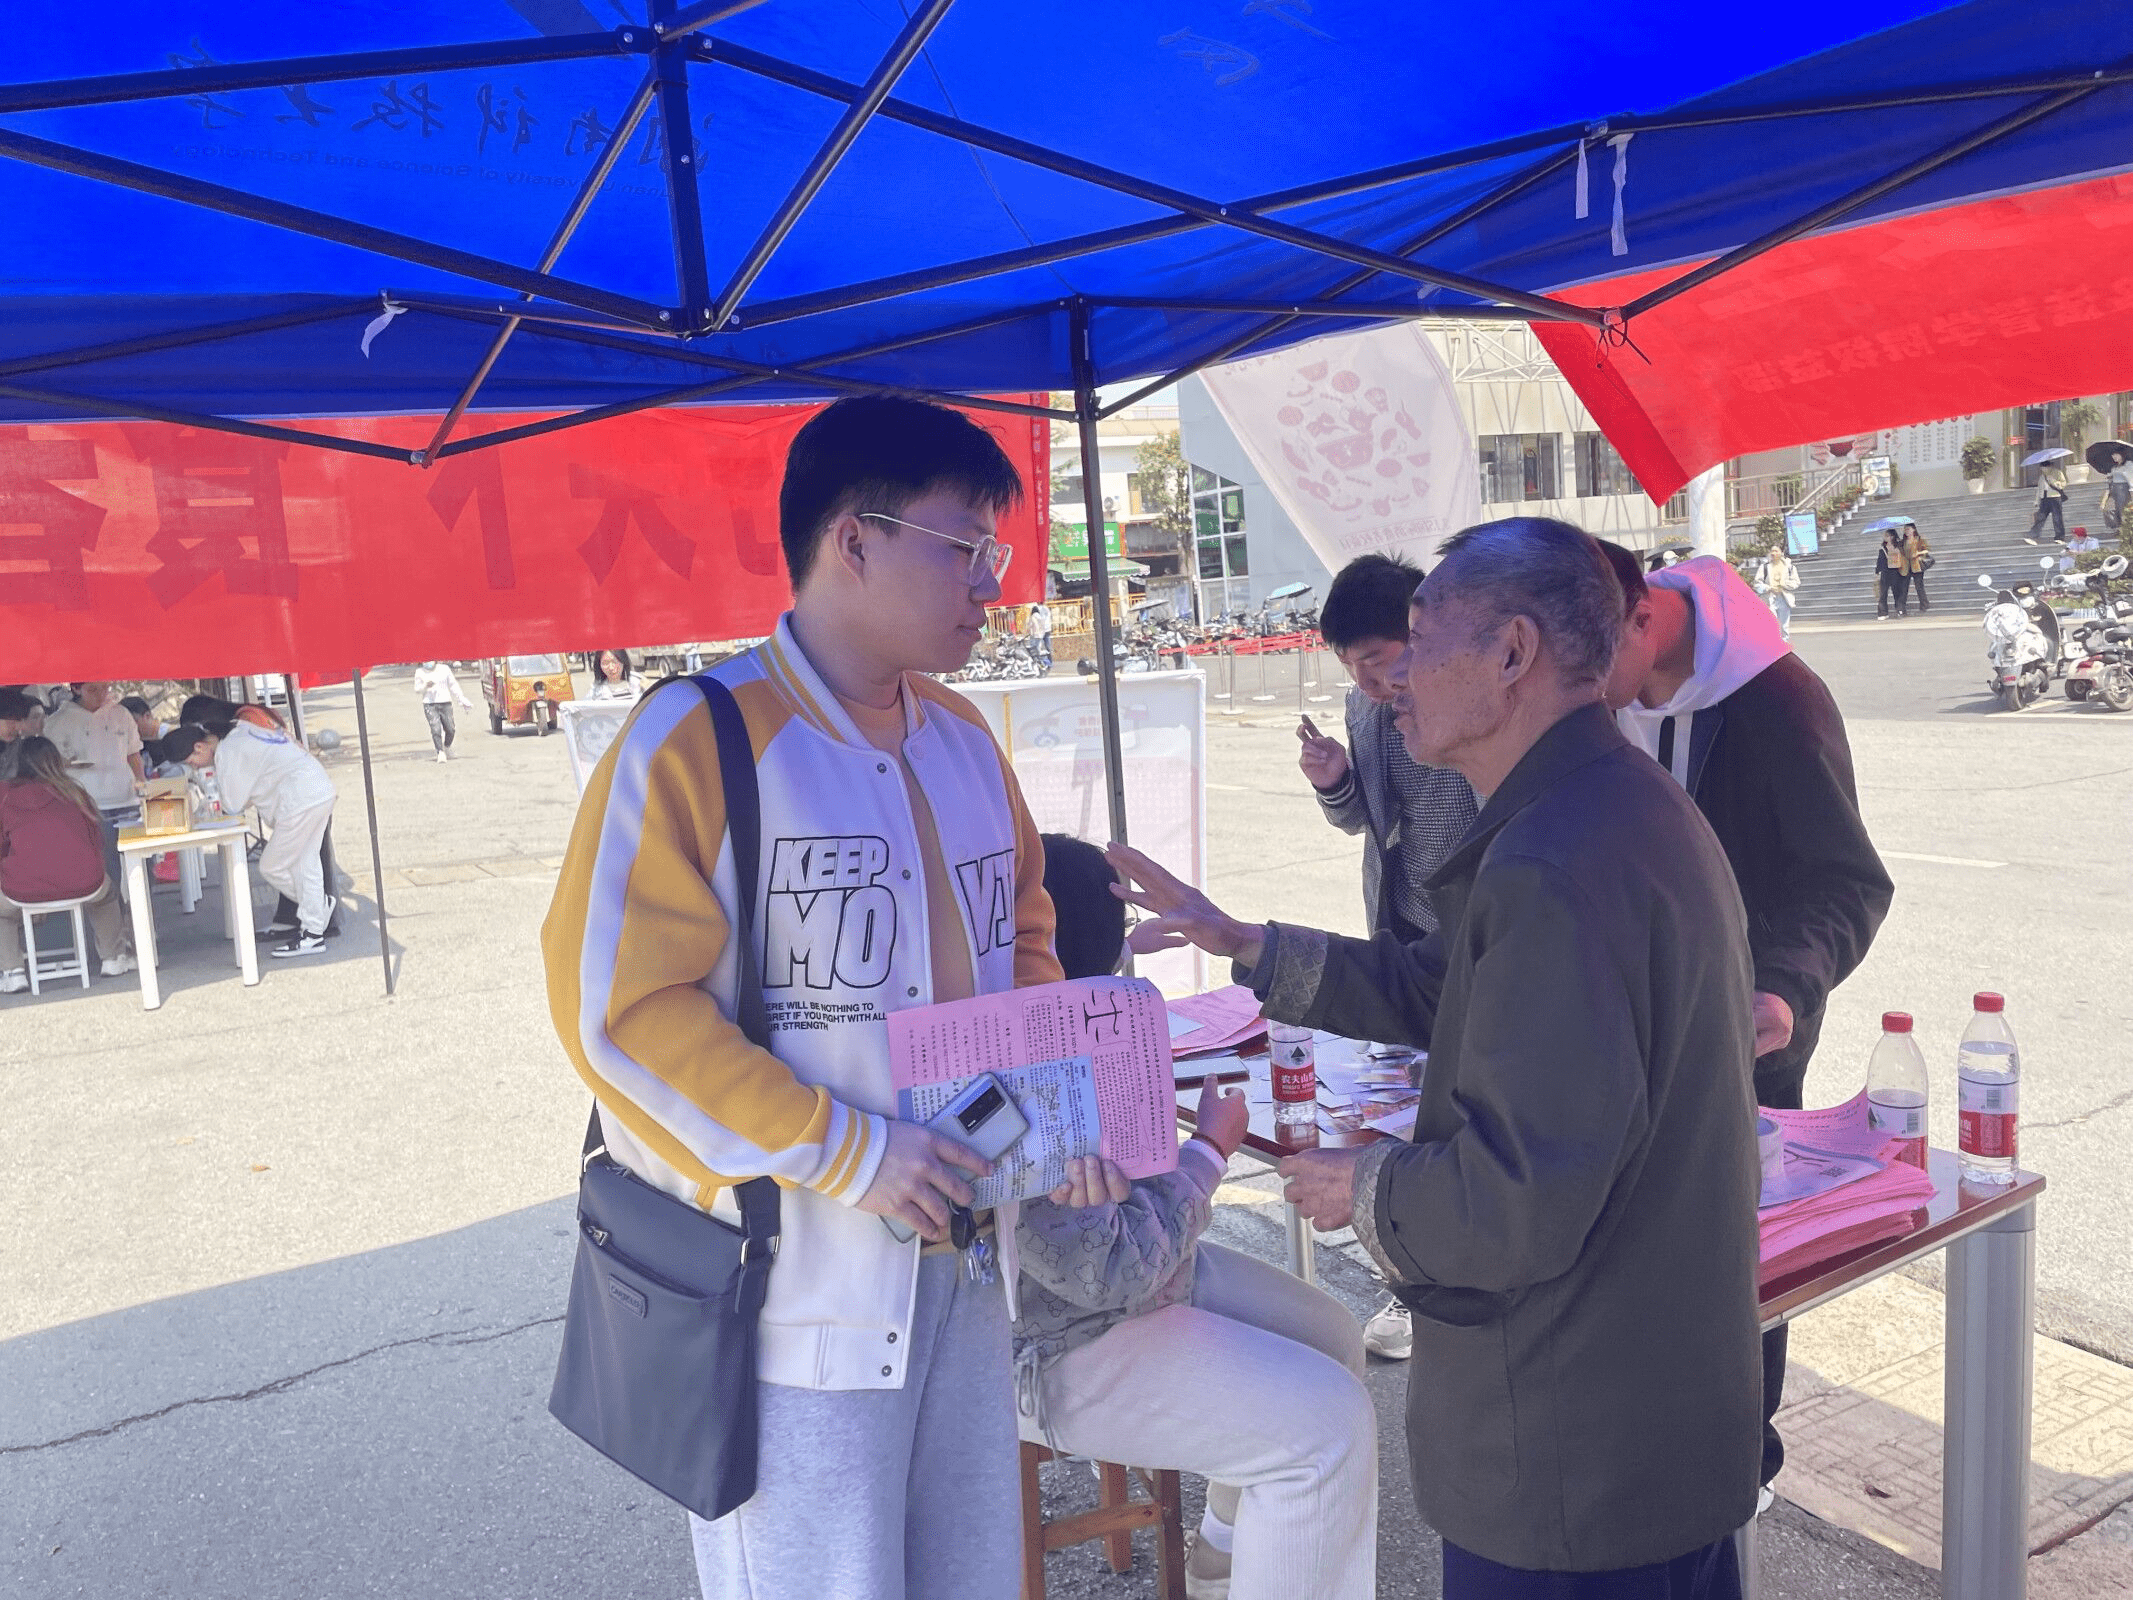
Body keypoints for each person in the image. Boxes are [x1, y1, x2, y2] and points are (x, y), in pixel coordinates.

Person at [1111, 516, 1764, 1600]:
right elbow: (1444, 982)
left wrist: (1361, 1185)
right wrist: (1249, 945)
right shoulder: (1597, 807)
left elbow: (1517, 1196)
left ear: (1511, 652)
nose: (1395, 679)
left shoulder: (1558, 860)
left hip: (1574, 1443)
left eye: (1420, 639)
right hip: (1646, 1410)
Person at [542, 395, 1064, 1600]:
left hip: (967, 1270)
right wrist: (846, 1149)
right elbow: (620, 1011)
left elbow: (1026, 934)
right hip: (794, 1302)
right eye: (964, 546)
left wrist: (1049, 1104)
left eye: (993, 552)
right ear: (854, 541)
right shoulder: (699, 738)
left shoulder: (965, 738)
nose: (990, 585)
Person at [1597, 541, 1894, 1495]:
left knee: (1738, 1249)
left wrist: (1784, 988)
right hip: (1626, 1023)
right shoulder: (1609, 690)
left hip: (1744, 1026)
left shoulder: (1776, 700)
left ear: (1643, 619)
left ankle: (1742, 1463)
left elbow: (1846, 880)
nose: (1585, 693)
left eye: (1591, 664)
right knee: (1629, 1236)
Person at [1018, 834, 1377, 1600]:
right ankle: (1248, 1544)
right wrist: (1209, 1152)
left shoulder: (1053, 1012)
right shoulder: (1024, 1070)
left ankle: (1222, 1552)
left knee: (1333, 1337)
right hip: (1061, 1341)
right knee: (1326, 1432)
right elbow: (1113, 1269)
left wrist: (1118, 954)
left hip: (1135, 1279)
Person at [1296, 552, 1479, 1362]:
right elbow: (1361, 822)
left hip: (1475, 936)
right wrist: (1333, 779)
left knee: (1473, 1112)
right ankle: (1411, 1280)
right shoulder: (1365, 713)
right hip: (1400, 932)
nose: (1369, 682)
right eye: (1351, 667)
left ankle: (1465, 1273)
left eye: (1376, 658)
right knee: (1410, 1111)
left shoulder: (1471, 700)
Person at [170, 718, 339, 958]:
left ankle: (317, 912)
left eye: (191, 762)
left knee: (273, 866)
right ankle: (313, 930)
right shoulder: (239, 731)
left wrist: (217, 782)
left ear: (199, 747)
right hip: (318, 790)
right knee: (306, 864)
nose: (195, 767)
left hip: (300, 800)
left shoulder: (227, 753)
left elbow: (232, 804)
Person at [0, 736, 137, 990]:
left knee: (2, 913)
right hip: (85, 881)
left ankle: (12, 971)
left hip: (23, 888)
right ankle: (113, 958)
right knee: (106, 897)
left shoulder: (4, 795)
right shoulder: (75, 791)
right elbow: (97, 839)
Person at [45, 682, 146, 897]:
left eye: (104, 688)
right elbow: (49, 765)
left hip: (127, 798)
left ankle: (139, 909)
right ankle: (115, 910)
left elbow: (133, 753)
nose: (100, 695)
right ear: (76, 689)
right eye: (92, 690)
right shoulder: (57, 721)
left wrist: (142, 782)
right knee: (105, 864)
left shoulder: (121, 714)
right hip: (88, 801)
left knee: (140, 861)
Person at [413, 660, 475, 761]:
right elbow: (417, 689)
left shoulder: (444, 669)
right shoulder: (420, 672)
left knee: (450, 729)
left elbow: (453, 684)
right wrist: (425, 686)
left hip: (445, 703)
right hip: (430, 704)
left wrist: (461, 698)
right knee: (435, 728)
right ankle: (440, 752)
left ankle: (447, 747)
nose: (428, 662)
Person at [1756, 543, 1801, 640]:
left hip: (1784, 598)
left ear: (1781, 552)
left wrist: (1783, 584)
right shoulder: (1764, 567)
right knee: (1771, 623)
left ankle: (1784, 643)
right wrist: (1768, 588)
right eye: (1772, 551)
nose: (1773, 553)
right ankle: (1773, 643)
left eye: (1776, 551)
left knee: (1784, 625)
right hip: (1769, 598)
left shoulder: (1789, 567)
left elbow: (1796, 583)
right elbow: (1757, 585)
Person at [2025, 461, 2070, 543]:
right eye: (2042, 468)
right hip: (2044, 498)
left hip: (2055, 497)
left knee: (2057, 518)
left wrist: (2053, 481)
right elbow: (2039, 489)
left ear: (2049, 467)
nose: (2043, 470)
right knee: (2040, 517)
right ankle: (2032, 535)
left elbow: (2063, 484)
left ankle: (2060, 537)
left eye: (2044, 468)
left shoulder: (2057, 473)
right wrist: (2037, 500)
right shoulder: (2042, 476)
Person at [1874, 527, 1908, 619]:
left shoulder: (1899, 546)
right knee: (1883, 594)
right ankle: (1883, 613)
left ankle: (1900, 610)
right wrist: (1877, 572)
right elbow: (1880, 561)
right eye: (1886, 536)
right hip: (1885, 572)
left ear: (1893, 536)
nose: (1888, 538)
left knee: (1897, 593)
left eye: (1889, 535)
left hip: (1896, 571)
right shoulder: (1883, 548)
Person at [1902, 520, 1932, 614]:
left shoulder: (1918, 539)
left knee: (1919, 587)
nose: (1907, 531)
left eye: (1908, 529)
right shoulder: (1903, 541)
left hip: (1917, 566)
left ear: (1913, 529)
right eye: (1905, 529)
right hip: (1907, 566)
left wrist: (1917, 553)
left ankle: (1924, 605)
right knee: (1904, 587)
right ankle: (1902, 607)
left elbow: (1926, 550)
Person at [1026, 600, 1054, 672]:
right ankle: (1049, 664)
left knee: (1036, 651)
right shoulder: (1046, 609)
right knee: (1046, 649)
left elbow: (1030, 625)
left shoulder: (1034, 614)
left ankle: (1040, 665)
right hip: (1046, 631)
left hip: (1037, 635)